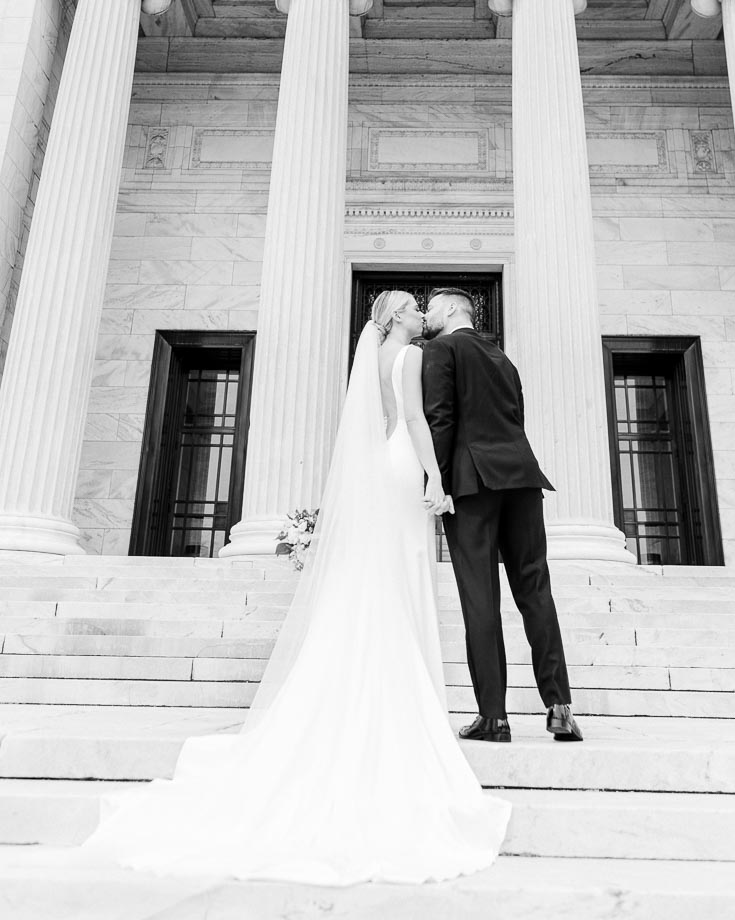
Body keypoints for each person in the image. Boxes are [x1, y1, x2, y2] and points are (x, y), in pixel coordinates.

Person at [72, 291, 510, 884]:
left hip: (385, 465)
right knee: (403, 573)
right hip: (407, 465)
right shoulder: (408, 359)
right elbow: (412, 420)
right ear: (395, 319)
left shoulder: (377, 358)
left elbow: (384, 422)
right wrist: (437, 477)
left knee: (386, 574)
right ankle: (405, 692)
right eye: (410, 306)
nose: (417, 313)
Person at [422, 286, 582, 744]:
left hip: (474, 485)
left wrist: (438, 482)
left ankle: (493, 716)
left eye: (431, 306)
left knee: (480, 599)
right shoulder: (503, 359)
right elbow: (517, 418)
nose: (427, 313)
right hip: (523, 479)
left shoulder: (441, 349)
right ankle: (560, 708)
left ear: (452, 309)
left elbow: (441, 419)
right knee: (536, 591)